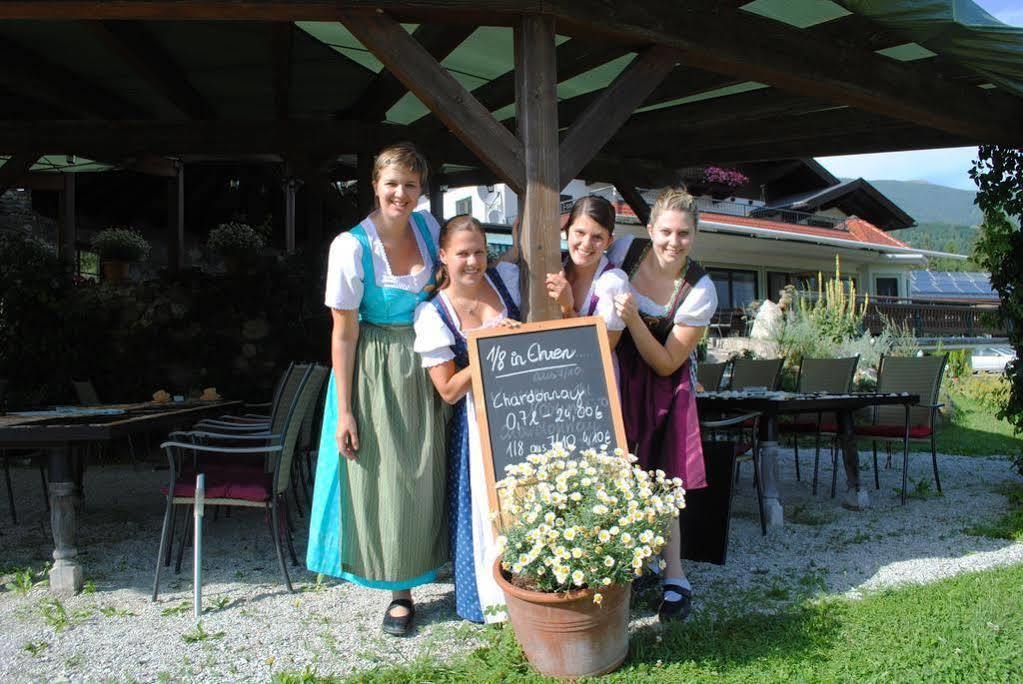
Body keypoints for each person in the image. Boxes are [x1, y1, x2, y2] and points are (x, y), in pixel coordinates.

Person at [307, 142, 448, 637]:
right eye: (392, 183)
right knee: (392, 478)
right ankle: (399, 592)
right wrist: (345, 410)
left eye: (411, 185)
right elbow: (343, 333)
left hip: (434, 362)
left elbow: (463, 274)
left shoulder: (430, 229)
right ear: (374, 184)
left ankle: (441, 561)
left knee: (433, 469)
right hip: (377, 372)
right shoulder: (350, 247)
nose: (401, 194)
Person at [607, 187, 717, 623]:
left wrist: (632, 317)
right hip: (616, 372)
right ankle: (626, 564)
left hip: (663, 383)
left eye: (684, 234)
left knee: (664, 479)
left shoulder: (700, 288)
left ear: (695, 234)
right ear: (650, 229)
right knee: (619, 471)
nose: (674, 242)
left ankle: (676, 576)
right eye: (666, 231)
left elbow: (669, 360)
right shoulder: (622, 250)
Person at [413, 215, 521, 624]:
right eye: (463, 254)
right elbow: (448, 390)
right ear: (443, 256)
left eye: (479, 252)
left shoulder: (506, 282)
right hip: (475, 426)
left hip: (523, 411)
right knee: (484, 510)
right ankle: (491, 600)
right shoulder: (432, 315)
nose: (473, 261)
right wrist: (489, 347)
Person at [544, 196, 629, 349]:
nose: (586, 244)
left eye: (597, 237)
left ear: (609, 241)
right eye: (580, 233)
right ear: (566, 231)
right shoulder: (552, 263)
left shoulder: (613, 281)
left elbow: (604, 348)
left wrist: (568, 309)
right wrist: (516, 249)